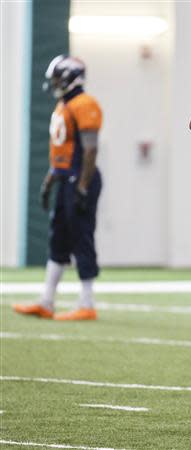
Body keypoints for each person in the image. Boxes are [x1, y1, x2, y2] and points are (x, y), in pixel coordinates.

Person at [13, 55, 102, 321]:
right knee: (58, 238)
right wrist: (50, 181)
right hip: (65, 179)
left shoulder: (85, 103)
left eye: (58, 78)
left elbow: (90, 150)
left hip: (80, 179)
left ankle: (87, 303)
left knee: (81, 237)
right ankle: (47, 301)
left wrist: (83, 186)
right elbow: (61, 150)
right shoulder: (65, 104)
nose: (54, 84)